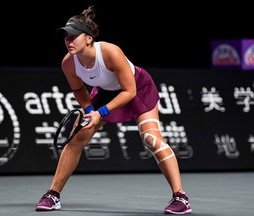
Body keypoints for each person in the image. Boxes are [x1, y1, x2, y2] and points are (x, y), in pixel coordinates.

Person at [35, 5, 192, 215]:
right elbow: (79, 90)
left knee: (151, 138)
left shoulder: (110, 52)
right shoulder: (68, 64)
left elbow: (129, 91)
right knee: (76, 138)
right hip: (105, 92)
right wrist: (89, 109)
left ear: (89, 38)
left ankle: (181, 197)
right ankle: (53, 194)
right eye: (66, 36)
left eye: (74, 36)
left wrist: (101, 113)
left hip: (138, 87)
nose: (68, 40)